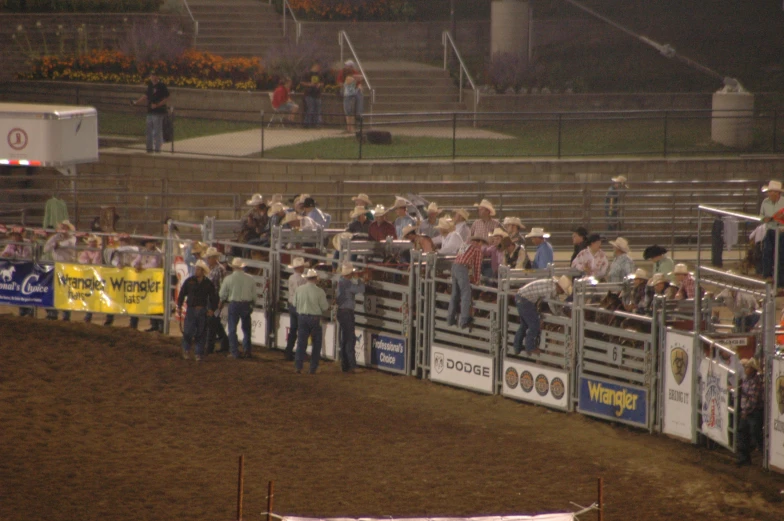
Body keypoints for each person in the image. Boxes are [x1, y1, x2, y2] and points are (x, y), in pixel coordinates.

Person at [513, 276, 572, 356]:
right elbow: (551, 304)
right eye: (562, 291)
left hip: (521, 297)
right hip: (525, 300)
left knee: (524, 325)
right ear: (560, 288)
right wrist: (559, 315)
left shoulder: (551, 285)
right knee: (534, 325)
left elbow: (555, 301)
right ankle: (530, 347)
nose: (561, 293)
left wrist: (561, 314)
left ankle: (517, 347)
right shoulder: (551, 289)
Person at [177, 259, 218, 361]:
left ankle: (198, 353)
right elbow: (182, 294)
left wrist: (212, 309)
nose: (196, 271)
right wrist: (179, 306)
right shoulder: (190, 281)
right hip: (192, 309)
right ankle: (187, 351)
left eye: (198, 269)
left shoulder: (207, 283)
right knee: (188, 332)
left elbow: (214, 297)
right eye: (196, 269)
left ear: (202, 271)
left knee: (201, 332)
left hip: (201, 310)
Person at [218, 257, 257, 360]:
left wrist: (221, 302)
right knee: (246, 329)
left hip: (234, 304)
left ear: (233, 267)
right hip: (246, 304)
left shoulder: (228, 279)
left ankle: (234, 352)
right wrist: (252, 305)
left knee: (232, 329)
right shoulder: (250, 278)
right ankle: (247, 351)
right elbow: (254, 296)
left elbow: (222, 294)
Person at [293, 268, 330, 374]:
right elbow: (324, 307)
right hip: (315, 319)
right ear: (316, 279)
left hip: (302, 317)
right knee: (316, 344)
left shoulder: (299, 289)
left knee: (301, 343)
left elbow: (294, 304)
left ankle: (298, 366)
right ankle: (313, 368)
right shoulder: (320, 291)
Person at [447, 235, 487, 329]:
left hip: (454, 267)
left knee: (455, 294)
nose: (482, 246)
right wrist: (477, 280)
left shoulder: (465, 245)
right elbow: (477, 266)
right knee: (466, 292)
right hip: (462, 268)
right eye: (482, 243)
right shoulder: (477, 249)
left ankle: (450, 318)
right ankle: (465, 319)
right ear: (480, 242)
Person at [336, 262, 367, 373]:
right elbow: (361, 290)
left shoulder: (341, 281)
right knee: (349, 339)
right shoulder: (347, 283)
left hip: (341, 311)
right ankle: (352, 365)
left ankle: (345, 365)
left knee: (345, 339)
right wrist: (360, 280)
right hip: (347, 312)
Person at [43, 220, 76, 321]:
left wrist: (57, 244)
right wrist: (54, 243)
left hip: (67, 266)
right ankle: (53, 311)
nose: (63, 230)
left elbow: (67, 243)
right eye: (62, 228)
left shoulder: (72, 238)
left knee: (65, 290)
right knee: (52, 290)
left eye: (65, 228)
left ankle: (66, 314)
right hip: (56, 266)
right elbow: (45, 249)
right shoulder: (55, 237)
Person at [736, 358, 764, 466]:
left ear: (752, 369)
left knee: (755, 434)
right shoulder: (747, 379)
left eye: (747, 367)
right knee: (742, 432)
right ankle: (744, 458)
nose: (745, 369)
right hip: (748, 411)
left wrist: (745, 411)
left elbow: (753, 399)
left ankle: (763, 456)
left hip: (754, 412)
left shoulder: (755, 381)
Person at [133, 70, 169, 153]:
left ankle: (157, 149)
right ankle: (149, 149)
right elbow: (146, 95)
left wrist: (158, 105)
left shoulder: (161, 86)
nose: (153, 77)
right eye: (152, 75)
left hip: (158, 111)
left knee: (157, 131)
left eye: (155, 75)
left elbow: (167, 98)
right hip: (150, 111)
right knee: (148, 130)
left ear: (158, 77)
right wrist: (137, 102)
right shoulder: (150, 85)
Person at [204, 247, 229, 352]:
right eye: (208, 257)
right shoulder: (211, 269)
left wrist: (221, 300)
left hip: (215, 298)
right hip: (211, 298)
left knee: (212, 322)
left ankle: (210, 346)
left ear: (215, 258)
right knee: (214, 322)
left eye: (209, 257)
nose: (208, 259)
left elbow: (222, 286)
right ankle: (224, 342)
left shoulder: (219, 269)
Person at [759, 180, 784, 284]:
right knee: (767, 252)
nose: (772, 194)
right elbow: (761, 215)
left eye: (774, 192)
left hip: (782, 231)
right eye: (770, 192)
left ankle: (780, 281)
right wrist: (765, 219)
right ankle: (767, 275)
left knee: (781, 255)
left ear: (778, 193)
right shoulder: (765, 202)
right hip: (770, 229)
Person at [284, 257, 308, 361]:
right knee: (302, 330)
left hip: (292, 304)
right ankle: (300, 353)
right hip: (300, 306)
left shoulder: (291, 277)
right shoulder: (302, 279)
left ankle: (288, 352)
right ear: (300, 267)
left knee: (293, 329)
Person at [78, 234, 102, 324]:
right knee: (90, 295)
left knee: (101, 294)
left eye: (94, 242)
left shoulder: (99, 250)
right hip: (90, 276)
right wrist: (88, 262)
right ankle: (88, 315)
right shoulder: (86, 250)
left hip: (99, 275)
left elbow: (95, 261)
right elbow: (81, 259)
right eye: (91, 242)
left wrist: (88, 262)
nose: (92, 243)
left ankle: (109, 317)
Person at [301, 63, 324, 128]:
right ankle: (307, 123)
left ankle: (317, 123)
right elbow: (302, 82)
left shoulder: (319, 75)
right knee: (310, 109)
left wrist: (319, 85)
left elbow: (322, 82)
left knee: (318, 110)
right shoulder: (307, 74)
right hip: (309, 94)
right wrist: (309, 84)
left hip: (317, 94)